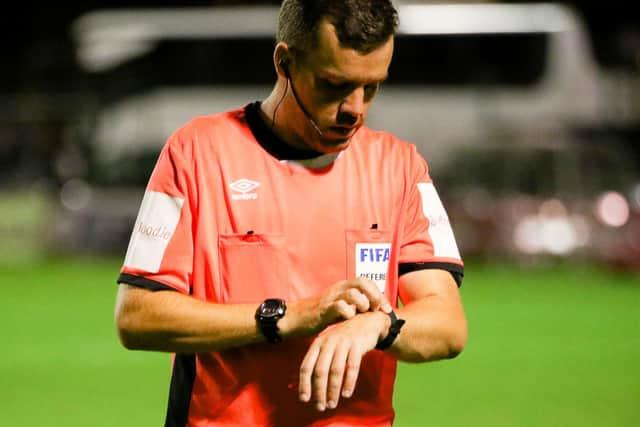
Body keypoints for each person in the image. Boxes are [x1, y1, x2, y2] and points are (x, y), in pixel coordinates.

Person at [115, 1, 467, 426]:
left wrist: (380, 326)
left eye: (371, 87)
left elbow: (448, 324)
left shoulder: (401, 168)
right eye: (334, 85)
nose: (355, 108)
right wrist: (288, 316)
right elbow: (137, 316)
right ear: (285, 62)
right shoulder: (196, 153)